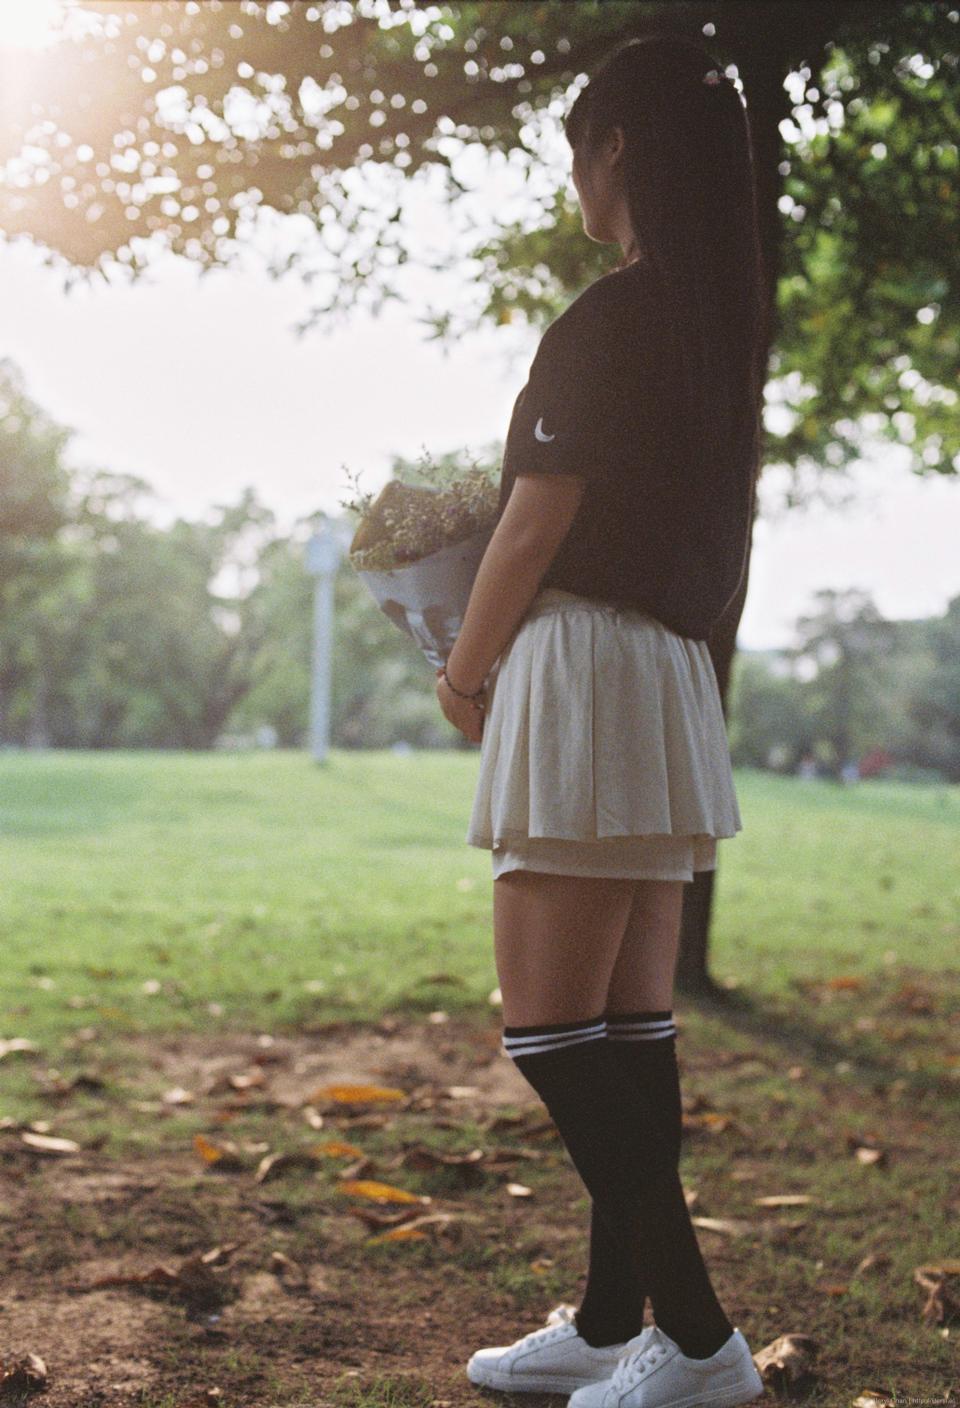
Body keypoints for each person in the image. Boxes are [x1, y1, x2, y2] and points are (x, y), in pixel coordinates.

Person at [435, 33, 766, 1408]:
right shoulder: (711, 322)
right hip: (664, 675)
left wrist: (464, 668)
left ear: (614, 148)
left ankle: (694, 1340)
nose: (573, 177)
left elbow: (534, 521)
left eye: (576, 149)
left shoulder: (613, 316)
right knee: (631, 1024)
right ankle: (611, 1314)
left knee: (546, 1025)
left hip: (579, 670)